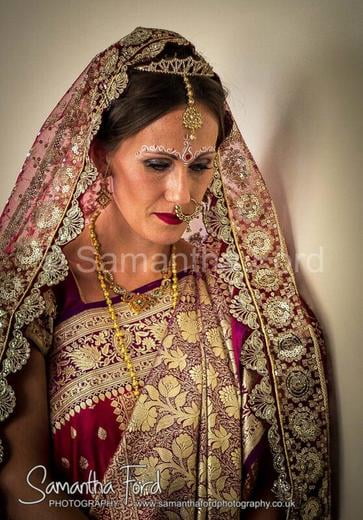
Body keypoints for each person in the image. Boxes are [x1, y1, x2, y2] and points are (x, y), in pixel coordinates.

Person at [0, 26, 331, 519]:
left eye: (200, 166)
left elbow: (279, 484)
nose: (182, 195)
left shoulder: (239, 294)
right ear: (100, 157)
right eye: (157, 164)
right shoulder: (34, 293)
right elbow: (21, 484)